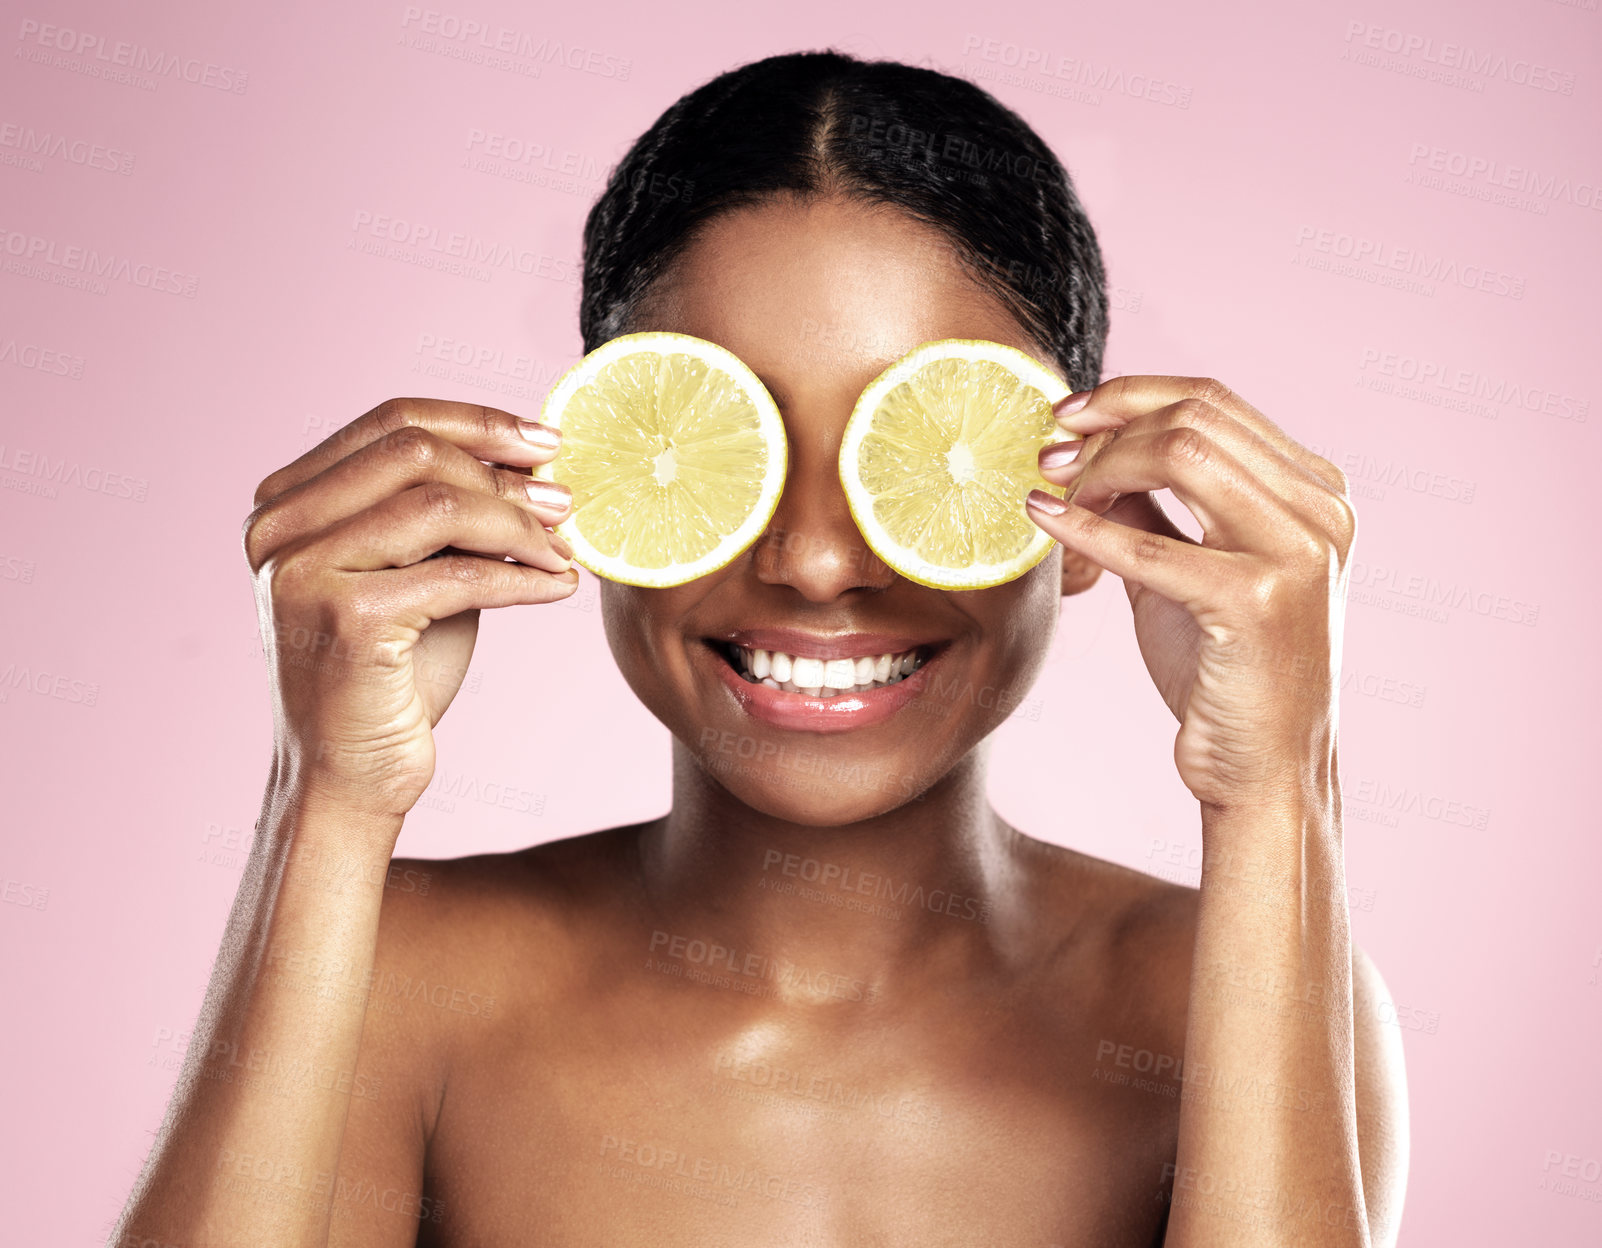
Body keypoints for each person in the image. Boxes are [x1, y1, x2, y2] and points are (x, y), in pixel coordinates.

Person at [112, 49, 1408, 1247]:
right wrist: (324, 794)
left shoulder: (1226, 990)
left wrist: (1274, 790)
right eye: (731, 447)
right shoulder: (405, 979)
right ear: (603, 481)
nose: (816, 559)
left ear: (1082, 520)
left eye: (920, 457)